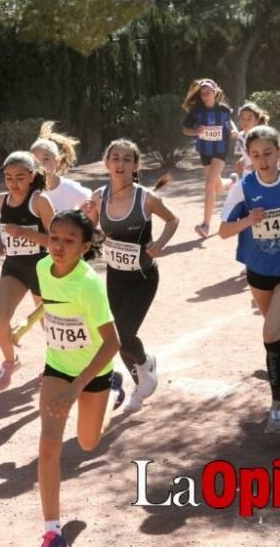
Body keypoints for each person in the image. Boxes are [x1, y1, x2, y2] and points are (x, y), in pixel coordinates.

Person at [31, 210, 125, 547]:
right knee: (49, 444)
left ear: (84, 247)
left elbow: (113, 342)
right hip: (58, 367)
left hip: (94, 372)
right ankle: (52, 531)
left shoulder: (90, 285)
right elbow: (49, 305)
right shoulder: (42, 268)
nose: (58, 245)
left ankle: (113, 393)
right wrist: (35, 326)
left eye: (69, 241)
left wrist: (77, 387)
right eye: (54, 237)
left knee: (88, 443)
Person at [220, 125, 280, 433]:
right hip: (257, 271)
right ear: (248, 158)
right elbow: (224, 231)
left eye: (267, 153)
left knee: (269, 331)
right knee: (276, 333)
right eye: (255, 155)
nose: (262, 160)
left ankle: (277, 407)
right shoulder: (244, 187)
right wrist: (248, 220)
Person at [82, 139, 179, 412]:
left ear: (135, 165)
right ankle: (141, 382)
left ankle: (146, 363)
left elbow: (173, 220)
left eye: (127, 159)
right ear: (107, 163)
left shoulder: (146, 197)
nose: (120, 163)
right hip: (115, 277)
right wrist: (88, 218)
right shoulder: (99, 196)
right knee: (115, 337)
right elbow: (92, 234)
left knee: (124, 333)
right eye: (115, 158)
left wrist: (160, 243)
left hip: (143, 278)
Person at [0, 151, 57, 391]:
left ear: (31, 176)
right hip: (15, 269)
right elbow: (7, 230)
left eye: (19, 177)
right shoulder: (2, 200)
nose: (13, 183)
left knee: (50, 327)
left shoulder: (40, 201)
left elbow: (57, 241)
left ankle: (55, 365)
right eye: (8, 177)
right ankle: (11, 362)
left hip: (42, 268)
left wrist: (24, 233)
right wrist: (0, 243)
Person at [181, 78, 238, 239]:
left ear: (214, 92)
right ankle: (232, 182)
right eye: (202, 93)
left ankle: (205, 225)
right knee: (218, 188)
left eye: (208, 92)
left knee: (209, 184)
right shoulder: (196, 111)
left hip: (220, 150)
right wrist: (196, 131)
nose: (205, 95)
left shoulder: (224, 109)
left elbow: (230, 121)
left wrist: (234, 130)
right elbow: (185, 129)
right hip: (204, 150)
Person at [30, 125, 91, 212]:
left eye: (46, 159)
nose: (41, 165)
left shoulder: (71, 189)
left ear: (57, 161)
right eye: (35, 161)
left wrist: (79, 214)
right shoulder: (26, 190)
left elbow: (92, 204)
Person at [234, 101, 269, 177]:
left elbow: (274, 157)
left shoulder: (262, 137)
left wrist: (257, 166)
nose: (245, 121)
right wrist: (241, 161)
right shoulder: (240, 135)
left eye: (249, 118)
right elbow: (249, 155)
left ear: (257, 121)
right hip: (247, 176)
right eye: (243, 118)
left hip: (264, 177)